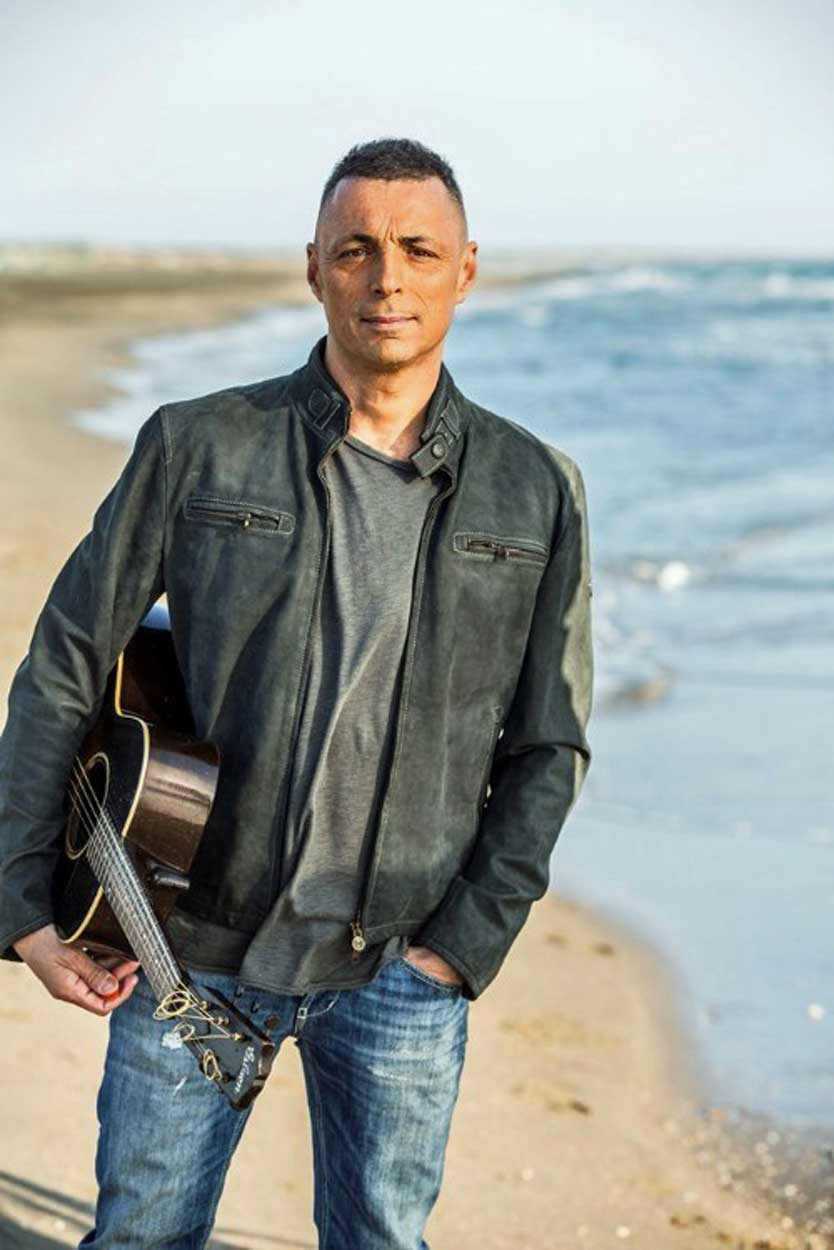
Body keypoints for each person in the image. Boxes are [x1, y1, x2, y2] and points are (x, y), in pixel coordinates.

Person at [0, 137, 594, 1249]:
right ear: (313, 267)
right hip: (187, 945)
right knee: (140, 1237)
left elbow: (548, 743)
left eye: (419, 249)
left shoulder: (536, 488)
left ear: (466, 270)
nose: (388, 277)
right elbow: (66, 661)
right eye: (356, 248)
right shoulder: (199, 445)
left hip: (403, 967)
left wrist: (464, 943)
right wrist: (22, 904)